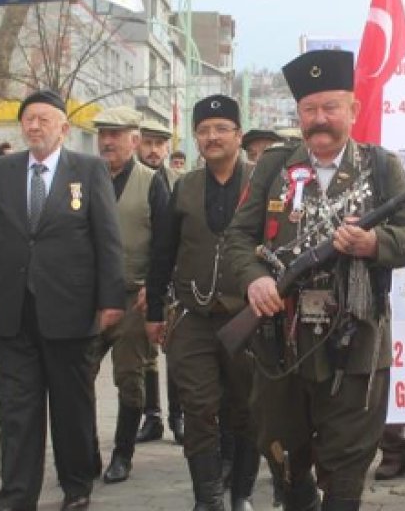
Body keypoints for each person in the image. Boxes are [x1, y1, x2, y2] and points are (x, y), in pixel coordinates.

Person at [225, 49, 405, 510]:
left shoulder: (381, 166)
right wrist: (255, 281)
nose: (319, 119)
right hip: (281, 340)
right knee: (284, 458)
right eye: (309, 109)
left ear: (353, 110)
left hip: (355, 343)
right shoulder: (273, 166)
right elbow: (238, 239)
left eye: (330, 108)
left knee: (346, 469)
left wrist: (373, 242)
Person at [0, 90, 125, 511]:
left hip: (70, 309)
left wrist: (110, 298)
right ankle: (16, 496)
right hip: (14, 308)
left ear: (63, 127)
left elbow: (107, 241)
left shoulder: (89, 171)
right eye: (28, 119)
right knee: (17, 410)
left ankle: (77, 487)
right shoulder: (3, 171)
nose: (34, 126)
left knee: (70, 405)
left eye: (44, 119)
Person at [145, 95, 260, 510]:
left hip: (247, 317)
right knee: (198, 408)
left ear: (238, 135)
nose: (212, 137)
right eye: (204, 130)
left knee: (247, 408)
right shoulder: (182, 187)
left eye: (221, 129)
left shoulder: (260, 182)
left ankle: (241, 493)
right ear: (196, 137)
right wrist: (154, 312)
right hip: (193, 315)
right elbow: (162, 253)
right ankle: (208, 498)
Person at [83, 106, 172, 485]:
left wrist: (155, 295)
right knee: (77, 376)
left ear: (133, 140)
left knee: (130, 379)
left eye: (116, 134)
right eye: (103, 133)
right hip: (87, 300)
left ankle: (123, 454)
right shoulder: (84, 178)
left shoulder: (152, 182)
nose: (107, 141)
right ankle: (84, 454)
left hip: (133, 297)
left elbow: (165, 245)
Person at [136, 116, 183, 444]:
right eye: (148, 143)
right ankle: (150, 415)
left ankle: (177, 417)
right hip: (136, 280)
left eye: (159, 144)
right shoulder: (127, 180)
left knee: (175, 349)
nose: (153, 150)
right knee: (144, 355)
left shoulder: (179, 181)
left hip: (171, 281)